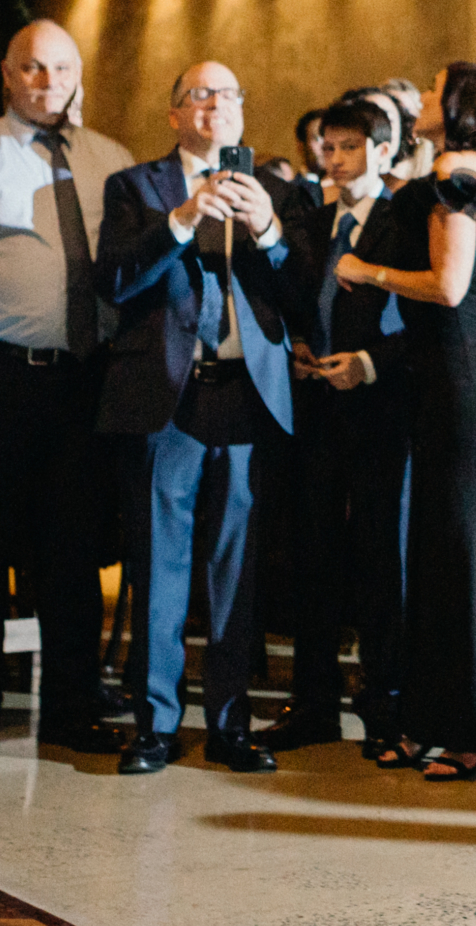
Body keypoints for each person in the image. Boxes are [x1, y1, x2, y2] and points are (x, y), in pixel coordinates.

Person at [0, 19, 135, 762]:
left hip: (84, 380)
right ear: (6, 74)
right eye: (32, 69)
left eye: (60, 68)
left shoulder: (111, 159)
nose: (47, 82)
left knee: (72, 554)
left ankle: (73, 706)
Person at [97, 61, 296, 776]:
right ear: (175, 113)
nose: (218, 104)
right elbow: (115, 278)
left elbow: (300, 286)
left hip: (245, 394)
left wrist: (267, 228)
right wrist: (183, 219)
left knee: (235, 571)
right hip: (167, 396)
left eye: (231, 93)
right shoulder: (135, 187)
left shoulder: (276, 189)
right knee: (157, 564)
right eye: (201, 94)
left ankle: (232, 720)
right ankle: (153, 723)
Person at [347, 61, 476, 780]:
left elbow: (449, 285)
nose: (420, 99)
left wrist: (368, 273)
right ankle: (448, 720)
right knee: (446, 542)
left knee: (466, 544)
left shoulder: (457, 166)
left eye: (430, 89)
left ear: (455, 106)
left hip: (464, 371)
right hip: (458, 373)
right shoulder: (467, 166)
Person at [274, 93, 414, 755]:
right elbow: (298, 299)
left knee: (380, 564)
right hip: (318, 411)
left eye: (349, 146)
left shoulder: (404, 216)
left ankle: (386, 706)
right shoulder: (312, 218)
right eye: (327, 147)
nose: (333, 158)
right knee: (314, 562)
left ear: (384, 152)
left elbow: (434, 318)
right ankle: (315, 704)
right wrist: (298, 342)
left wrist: (369, 362)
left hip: (381, 411)